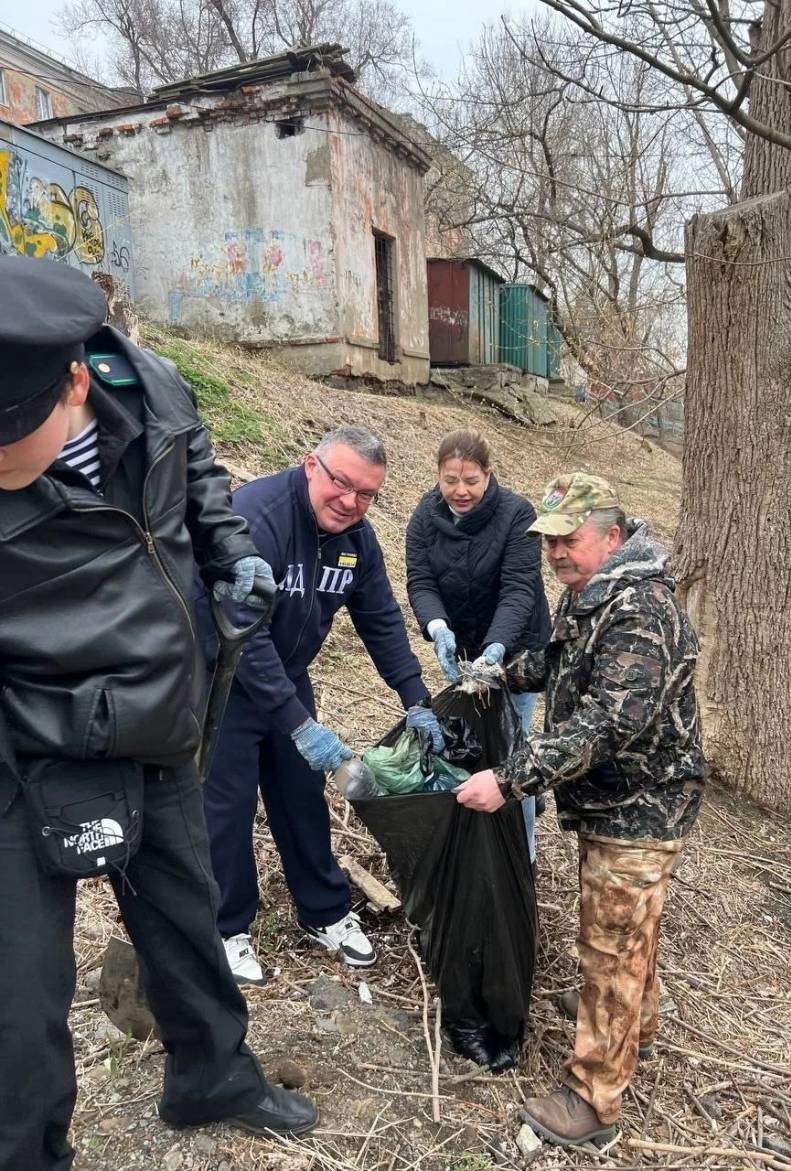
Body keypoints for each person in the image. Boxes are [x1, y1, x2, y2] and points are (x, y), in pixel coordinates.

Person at [0, 255, 317, 1171]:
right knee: (19, 996)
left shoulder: (157, 388)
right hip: (32, 741)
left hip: (158, 718)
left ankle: (211, 1076)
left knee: (185, 915)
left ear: (74, 378)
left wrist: (228, 553)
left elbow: (200, 480)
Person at [456, 472, 705, 1149]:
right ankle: (638, 1018)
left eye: (571, 539)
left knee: (612, 946)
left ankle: (595, 1100)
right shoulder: (592, 595)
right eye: (550, 541)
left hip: (641, 809)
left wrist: (509, 780)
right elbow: (561, 664)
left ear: (613, 536)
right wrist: (497, 673)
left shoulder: (641, 613)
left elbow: (604, 723)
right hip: (612, 802)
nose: (558, 552)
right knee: (628, 933)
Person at [201, 426, 444, 984]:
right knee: (225, 810)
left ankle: (324, 910)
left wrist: (416, 700)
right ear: (312, 466)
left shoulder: (357, 539)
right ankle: (226, 928)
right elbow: (243, 633)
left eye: (367, 494)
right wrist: (299, 724)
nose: (351, 502)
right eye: (342, 483)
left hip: (286, 678)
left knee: (301, 796)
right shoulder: (256, 518)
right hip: (222, 681)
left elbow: (381, 620)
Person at [405, 429, 551, 860]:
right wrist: (437, 627)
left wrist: (495, 650)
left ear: (488, 474)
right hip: (464, 648)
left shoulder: (517, 514)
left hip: (516, 651)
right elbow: (421, 580)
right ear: (438, 475)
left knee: (512, 752)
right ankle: (475, 845)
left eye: (470, 480)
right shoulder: (425, 516)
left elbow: (519, 590)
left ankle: (521, 857)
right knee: (472, 745)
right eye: (451, 480)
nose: (460, 490)